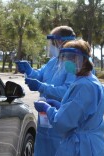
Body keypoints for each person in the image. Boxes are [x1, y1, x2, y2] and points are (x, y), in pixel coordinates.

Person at [34, 40, 104, 156]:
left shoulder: (83, 85)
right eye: (66, 58)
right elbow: (83, 112)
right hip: (93, 145)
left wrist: (47, 108)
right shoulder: (92, 81)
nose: (67, 62)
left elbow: (62, 123)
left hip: (80, 147)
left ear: (83, 60)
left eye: (72, 58)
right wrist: (61, 107)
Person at [16, 26, 76, 156]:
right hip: (45, 120)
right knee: (43, 148)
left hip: (60, 120)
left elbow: (68, 90)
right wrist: (29, 71)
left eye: (53, 43)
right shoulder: (53, 61)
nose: (51, 46)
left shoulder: (73, 63)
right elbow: (40, 75)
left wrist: (42, 87)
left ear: (61, 42)